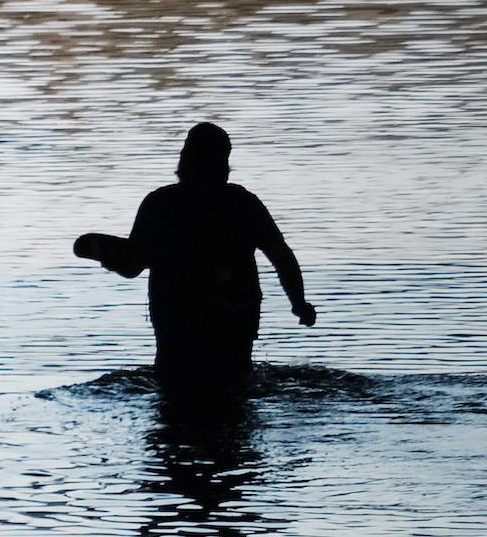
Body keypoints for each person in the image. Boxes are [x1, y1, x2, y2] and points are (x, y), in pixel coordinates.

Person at [77, 123, 316, 395]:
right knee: (235, 391)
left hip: (179, 320)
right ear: (224, 162)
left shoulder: (160, 204)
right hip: (236, 314)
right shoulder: (244, 203)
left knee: (176, 391)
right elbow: (281, 256)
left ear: (185, 158)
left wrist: (105, 253)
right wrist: (298, 302)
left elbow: (133, 266)